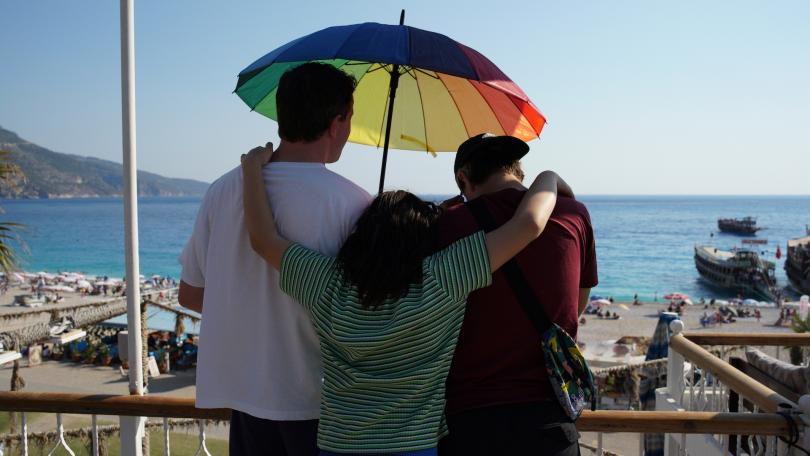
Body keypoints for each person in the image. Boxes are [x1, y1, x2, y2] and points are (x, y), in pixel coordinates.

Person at [241, 142, 571, 455]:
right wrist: (548, 177)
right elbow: (528, 224)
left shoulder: (326, 282)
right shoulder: (443, 278)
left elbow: (263, 239)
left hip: (340, 445)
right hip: (414, 446)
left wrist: (251, 169)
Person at [178, 63, 369, 456]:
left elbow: (190, 294)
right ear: (336, 123)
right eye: (349, 120)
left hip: (246, 399)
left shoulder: (222, 190)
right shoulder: (354, 203)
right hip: (319, 401)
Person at [433, 134, 597, 456]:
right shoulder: (574, 215)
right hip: (551, 421)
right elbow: (575, 307)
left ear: (463, 179)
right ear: (519, 172)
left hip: (468, 420)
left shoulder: (447, 226)